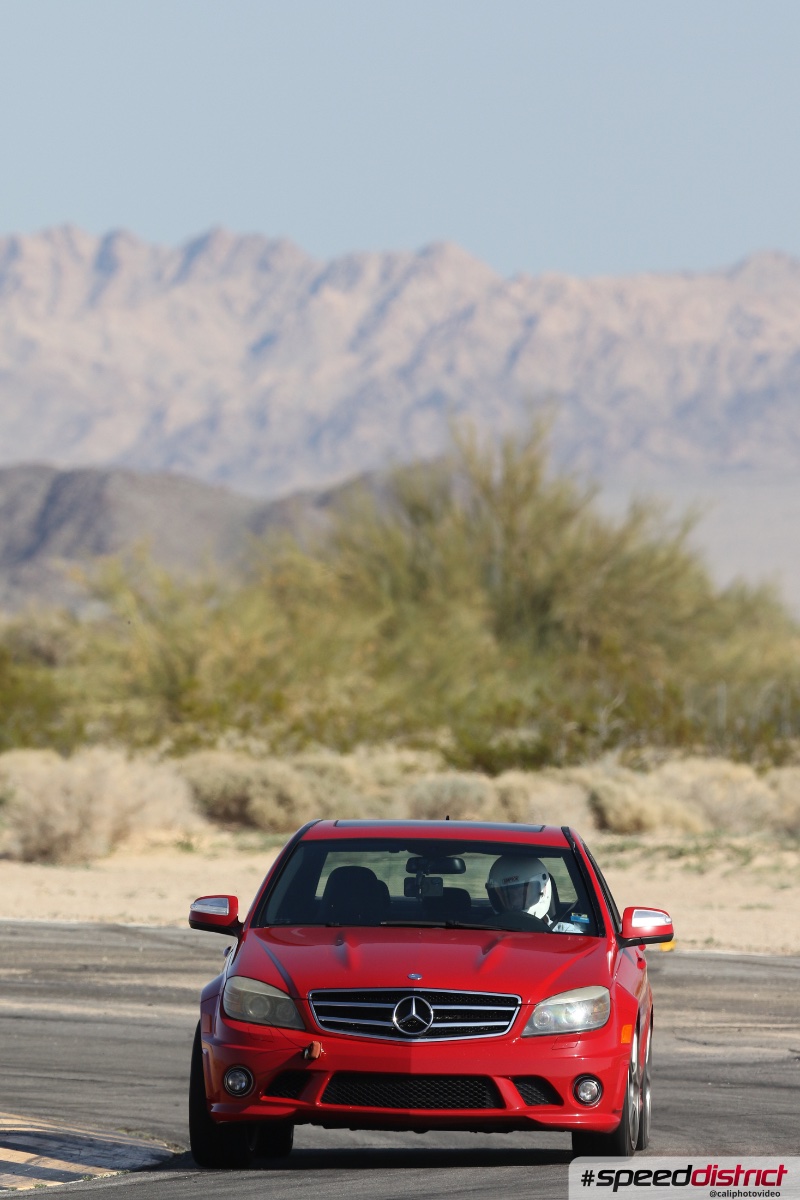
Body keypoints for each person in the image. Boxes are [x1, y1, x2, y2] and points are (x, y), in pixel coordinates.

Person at [485, 855, 588, 933]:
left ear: (544, 890)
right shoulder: (483, 932)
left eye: (521, 894)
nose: (515, 902)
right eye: (509, 896)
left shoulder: (567, 934)